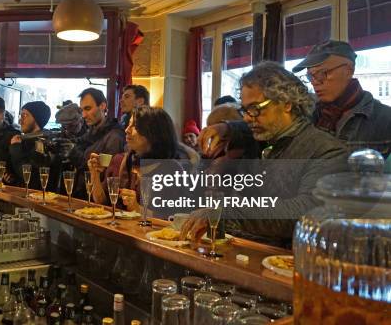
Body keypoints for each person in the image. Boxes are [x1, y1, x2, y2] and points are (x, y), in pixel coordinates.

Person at [183, 62, 347, 247]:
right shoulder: (263, 138)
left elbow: (305, 211)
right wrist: (226, 127)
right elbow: (242, 129)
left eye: (255, 108)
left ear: (287, 103)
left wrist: (225, 213)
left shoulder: (327, 150)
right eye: (244, 110)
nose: (247, 117)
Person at [88, 106, 195, 219]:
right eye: (128, 124)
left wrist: (137, 208)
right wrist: (94, 174)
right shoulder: (119, 161)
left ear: (153, 133)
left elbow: (174, 218)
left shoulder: (171, 170)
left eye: (134, 126)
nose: (127, 130)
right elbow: (102, 202)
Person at [292, 40, 391, 157]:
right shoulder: (306, 115)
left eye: (322, 73)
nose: (315, 82)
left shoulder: (385, 119)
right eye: (310, 76)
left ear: (349, 71)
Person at [69, 88, 125, 199]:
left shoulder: (114, 136)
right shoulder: (93, 130)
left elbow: (106, 173)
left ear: (102, 106)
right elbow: (79, 141)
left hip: (98, 201)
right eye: (82, 110)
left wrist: (74, 154)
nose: (84, 115)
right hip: (83, 195)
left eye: (88, 109)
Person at [9, 101, 52, 189]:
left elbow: (30, 176)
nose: (20, 120)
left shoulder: (41, 144)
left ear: (36, 118)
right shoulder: (25, 139)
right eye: (20, 116)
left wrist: (15, 148)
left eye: (25, 115)